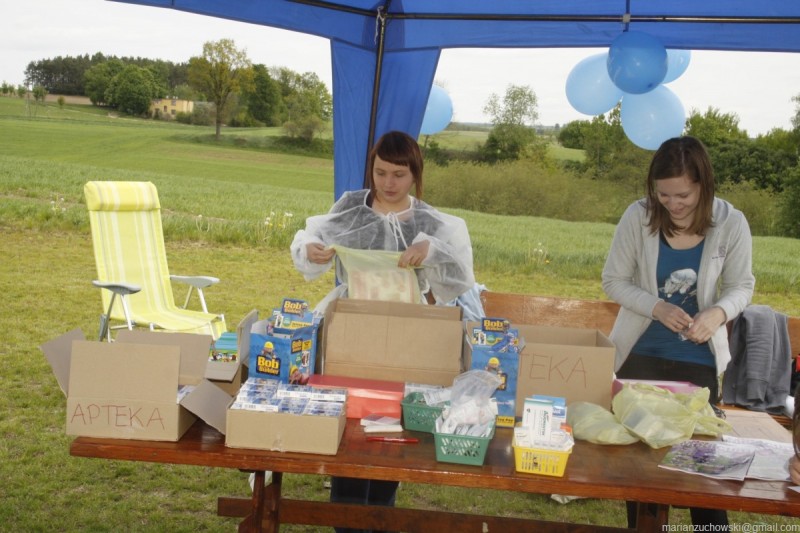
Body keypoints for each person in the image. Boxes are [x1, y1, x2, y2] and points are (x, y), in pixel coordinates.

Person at [291, 130, 483, 533]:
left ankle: (381, 514)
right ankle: (347, 521)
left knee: (390, 428)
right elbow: (313, 236)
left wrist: (432, 250)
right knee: (350, 426)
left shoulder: (429, 222)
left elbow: (459, 276)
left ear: (415, 175)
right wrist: (309, 247)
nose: (388, 183)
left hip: (406, 335)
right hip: (352, 329)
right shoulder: (351, 207)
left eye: (399, 174)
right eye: (380, 173)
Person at [601, 136, 755, 528]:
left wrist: (718, 312)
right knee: (641, 475)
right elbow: (613, 281)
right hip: (638, 358)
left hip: (697, 366)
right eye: (664, 195)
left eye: (683, 195)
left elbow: (742, 286)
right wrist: (657, 307)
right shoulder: (637, 217)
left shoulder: (732, 222)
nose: (673, 204)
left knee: (703, 476)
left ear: (704, 185)